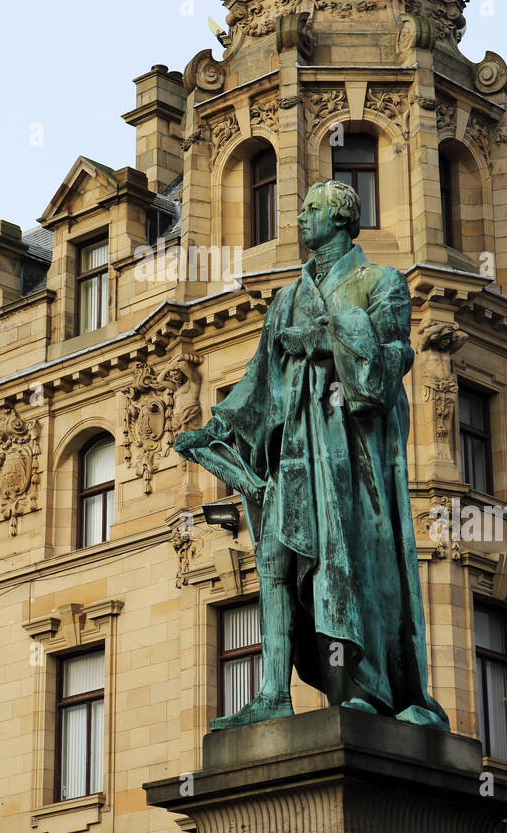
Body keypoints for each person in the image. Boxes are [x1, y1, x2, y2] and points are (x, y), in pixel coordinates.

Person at [175, 179, 449, 731]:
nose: (299, 219)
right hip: (294, 453)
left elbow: (393, 358)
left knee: (344, 569)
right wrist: (216, 426)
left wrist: (326, 338)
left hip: (351, 457)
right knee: (275, 561)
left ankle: (360, 686)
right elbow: (257, 378)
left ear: (342, 218)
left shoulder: (381, 281)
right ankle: (274, 691)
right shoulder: (284, 298)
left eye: (310, 211)